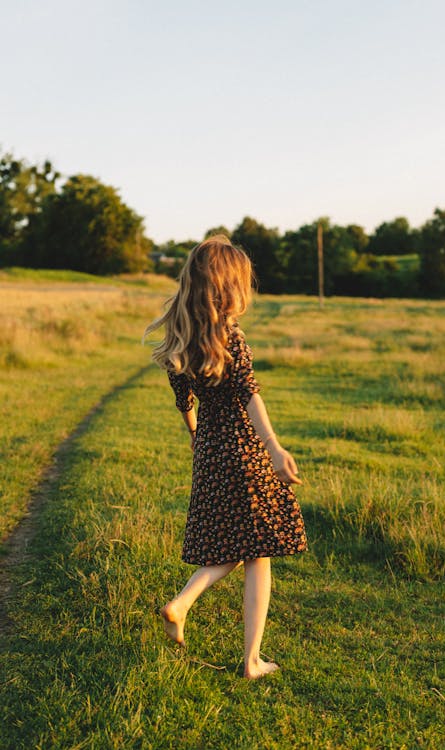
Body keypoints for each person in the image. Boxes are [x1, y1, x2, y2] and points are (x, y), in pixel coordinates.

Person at [143, 235, 308, 679]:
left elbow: (184, 399)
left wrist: (196, 436)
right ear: (227, 289)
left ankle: (181, 603)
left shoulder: (184, 337)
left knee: (235, 544)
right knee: (258, 552)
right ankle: (251, 660)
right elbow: (250, 395)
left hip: (212, 451)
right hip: (246, 451)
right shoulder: (231, 337)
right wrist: (273, 448)